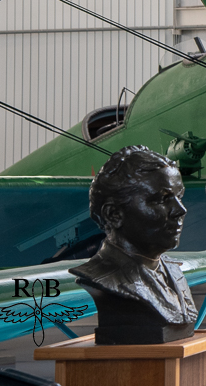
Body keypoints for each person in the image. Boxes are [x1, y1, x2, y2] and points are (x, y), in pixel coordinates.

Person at [70, 145, 198, 344]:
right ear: (113, 214)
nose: (181, 210)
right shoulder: (104, 279)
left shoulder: (173, 272)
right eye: (162, 200)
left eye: (179, 197)